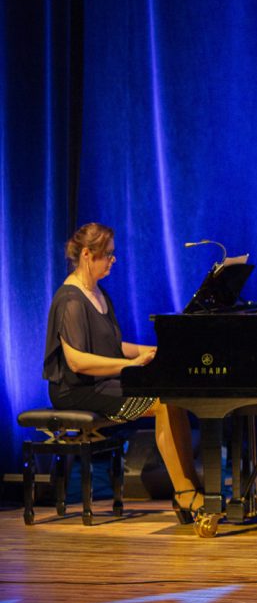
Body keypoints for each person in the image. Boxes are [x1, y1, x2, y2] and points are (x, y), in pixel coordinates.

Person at [43, 222, 203, 523]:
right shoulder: (70, 299)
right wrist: (129, 365)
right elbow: (76, 362)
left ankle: (191, 485)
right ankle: (184, 492)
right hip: (77, 390)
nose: (113, 260)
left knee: (172, 398)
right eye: (107, 254)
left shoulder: (98, 293)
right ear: (87, 254)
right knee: (160, 402)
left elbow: (114, 346)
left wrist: (150, 351)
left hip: (102, 383)